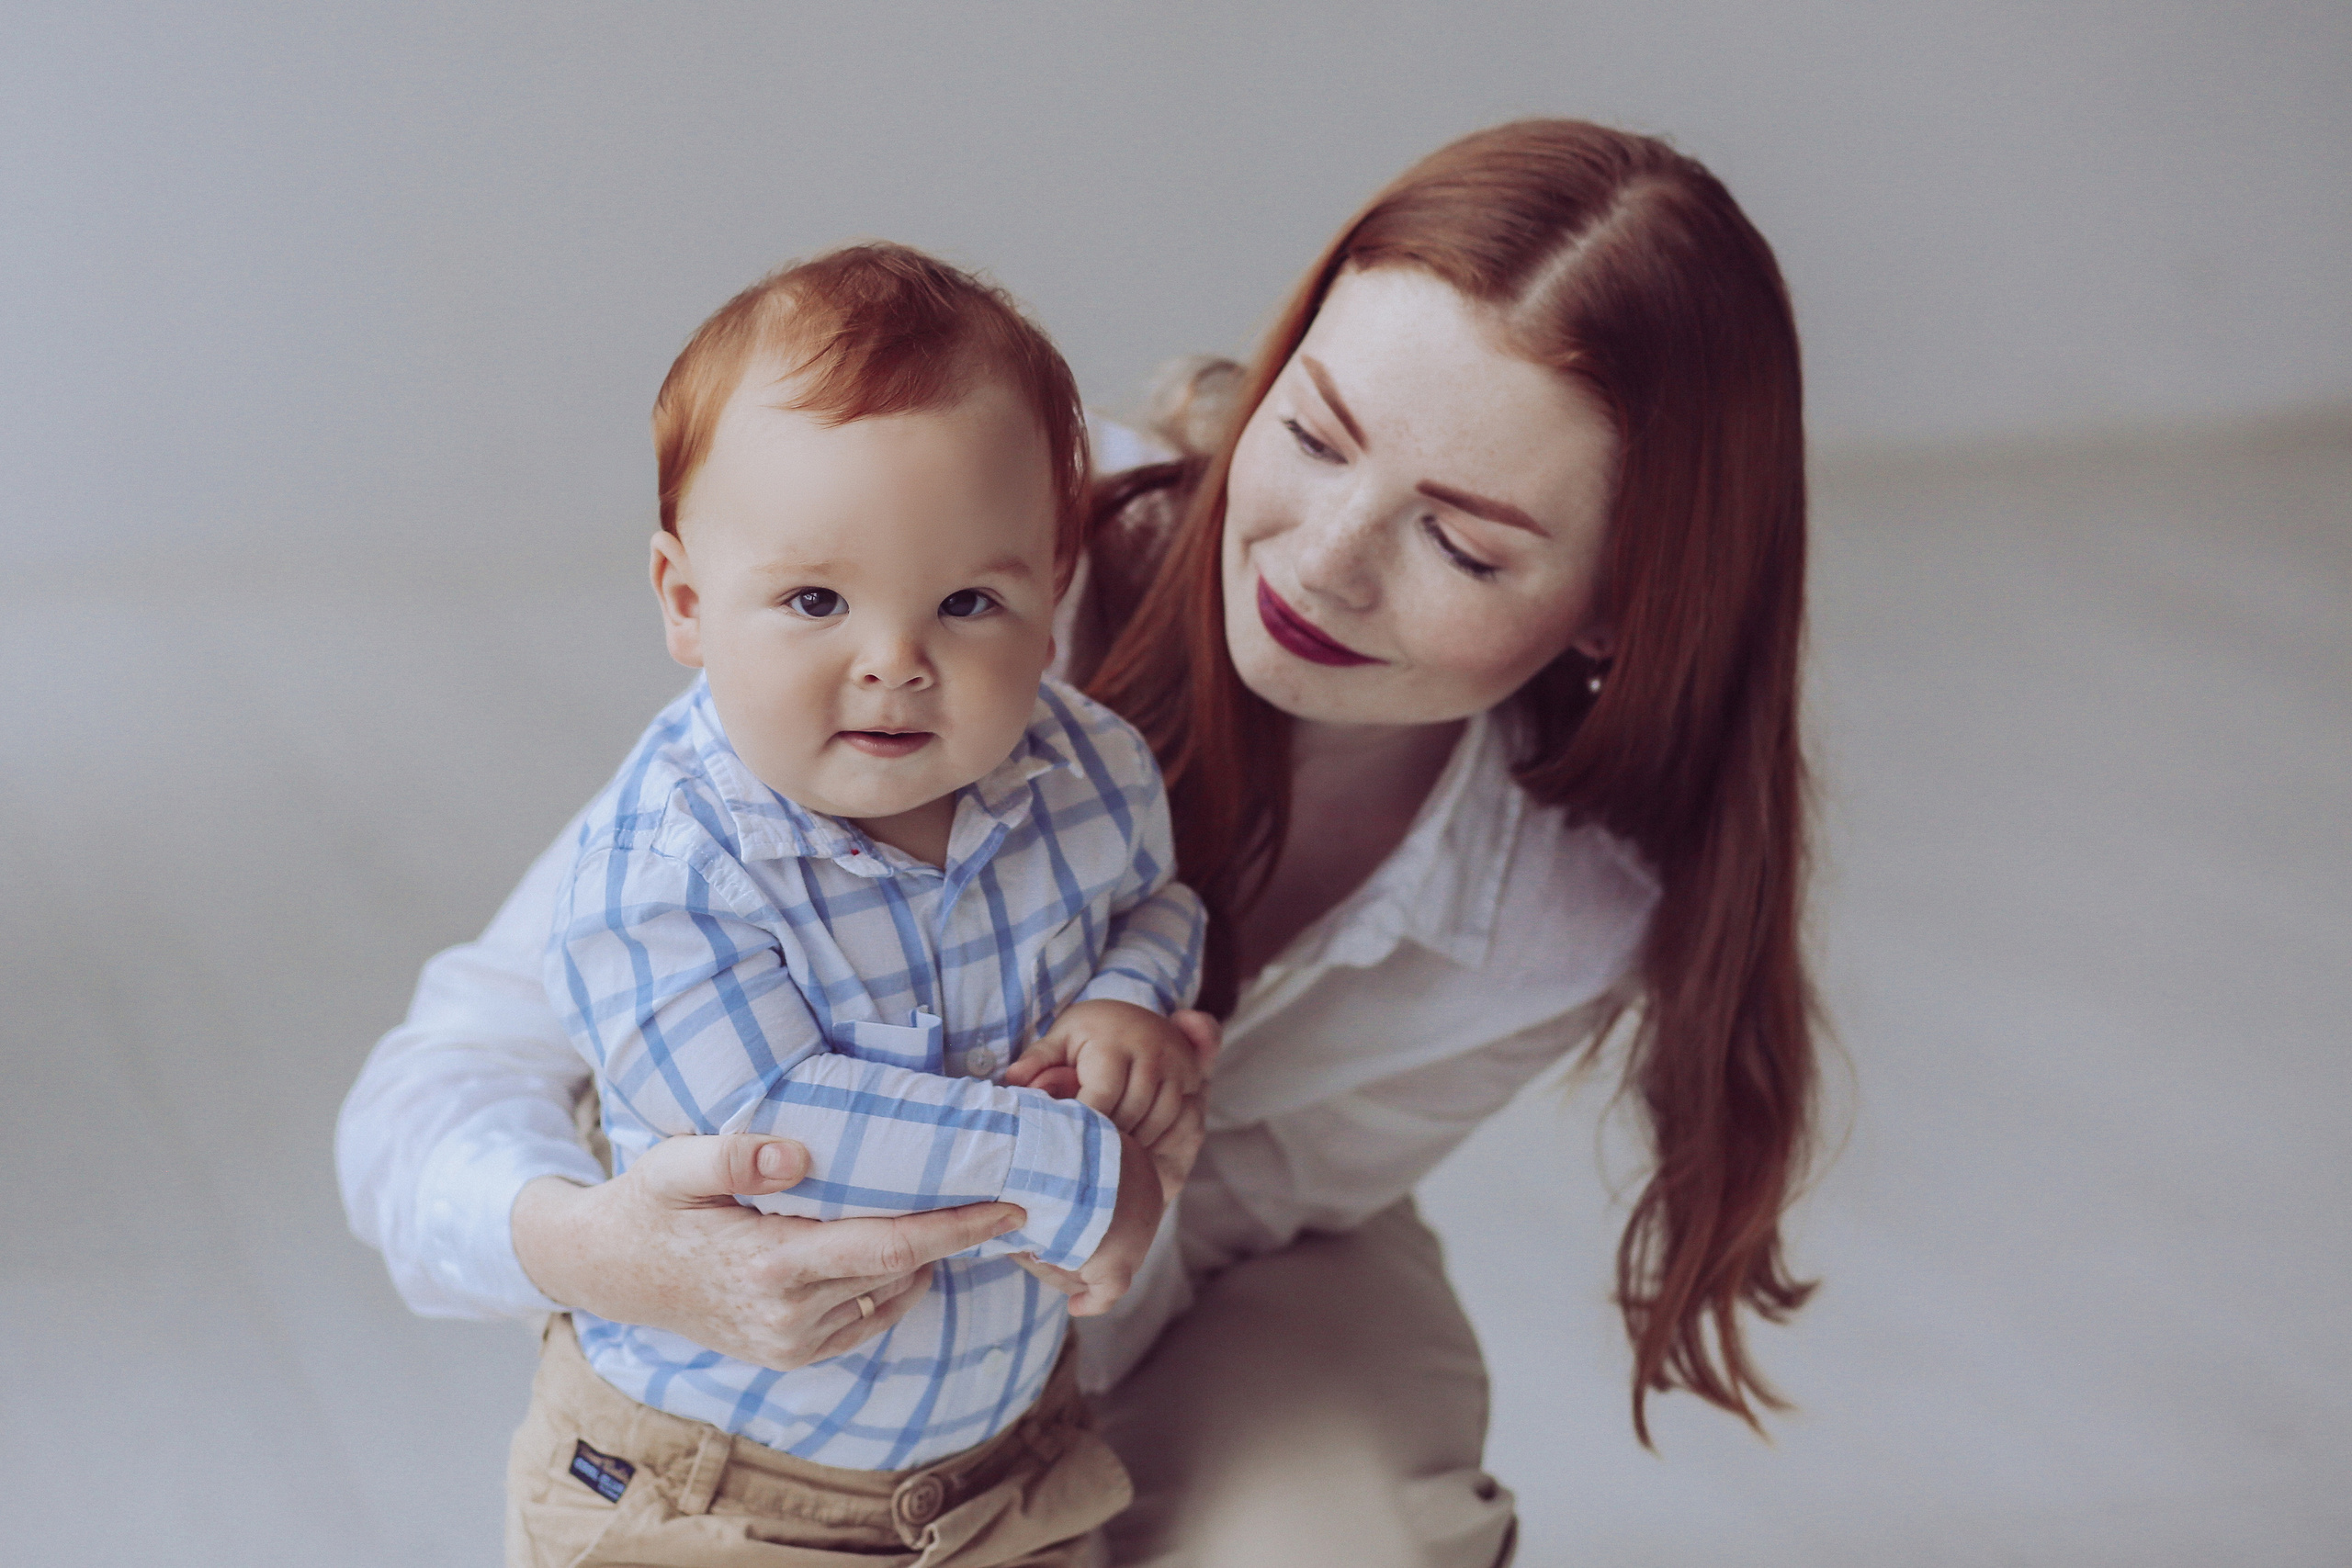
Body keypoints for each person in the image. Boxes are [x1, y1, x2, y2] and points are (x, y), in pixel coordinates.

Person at [339, 117, 1820, 1568]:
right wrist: (610, 1254)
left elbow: (1230, 1210)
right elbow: (451, 1079)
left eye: (1465, 543)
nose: (1320, 558)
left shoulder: (1562, 911)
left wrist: (1107, 1184)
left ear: (1626, 604)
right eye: (1309, 435)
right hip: (842, 1362)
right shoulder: (950, 541)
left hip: (1153, 1307)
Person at [512, 243, 1211, 1565]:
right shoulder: (665, 865)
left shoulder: (1090, 773)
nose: (895, 662)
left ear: (1052, 592)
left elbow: (1157, 908)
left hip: (1011, 1458)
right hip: (716, 1486)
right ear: (687, 601)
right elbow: (778, 1129)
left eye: (967, 602)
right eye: (817, 599)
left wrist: (1132, 1000)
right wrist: (1082, 1174)